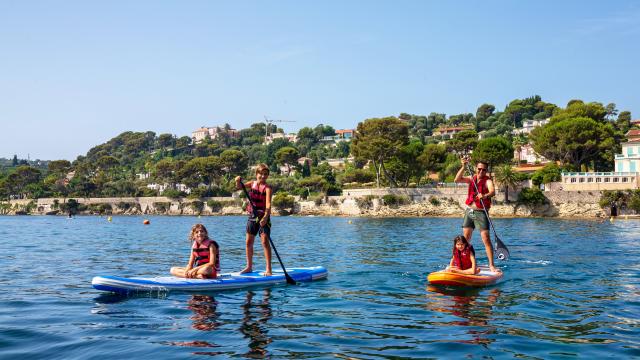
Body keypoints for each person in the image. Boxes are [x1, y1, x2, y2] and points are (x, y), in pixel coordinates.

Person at [454, 156, 500, 272]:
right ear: (476, 169)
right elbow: (457, 180)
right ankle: (463, 263)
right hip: (470, 211)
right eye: (479, 169)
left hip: (481, 212)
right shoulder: (471, 178)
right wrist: (464, 166)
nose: (481, 171)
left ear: (486, 171)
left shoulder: (488, 181)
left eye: (483, 170)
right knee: (465, 239)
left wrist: (484, 196)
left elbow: (492, 191)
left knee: (485, 238)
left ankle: (491, 265)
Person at [235, 164, 273, 276]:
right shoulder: (252, 184)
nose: (263, 176)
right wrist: (237, 181)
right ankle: (249, 267)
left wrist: (266, 217)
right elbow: (239, 187)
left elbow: (268, 204)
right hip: (252, 217)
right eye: (261, 174)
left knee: (265, 242)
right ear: (256, 174)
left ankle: (268, 269)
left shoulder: (268, 188)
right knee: (248, 242)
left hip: (263, 217)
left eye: (265, 174)